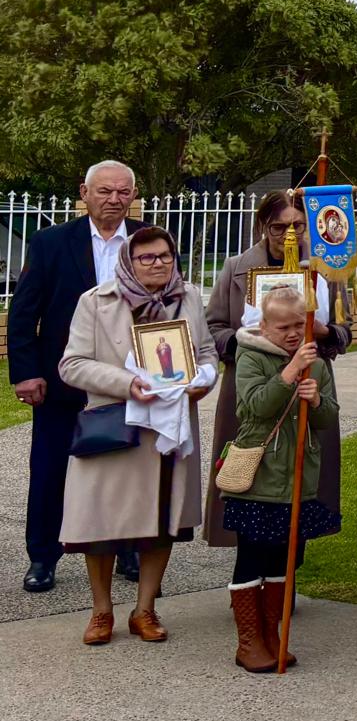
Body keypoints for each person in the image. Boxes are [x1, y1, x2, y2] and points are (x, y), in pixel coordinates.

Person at [59, 226, 217, 644]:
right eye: (146, 257)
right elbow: (72, 364)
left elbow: (205, 352)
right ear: (129, 262)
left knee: (161, 520)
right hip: (116, 424)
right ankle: (101, 611)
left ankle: (144, 610)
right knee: (100, 522)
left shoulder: (187, 297)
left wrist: (204, 378)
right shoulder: (96, 301)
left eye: (165, 256)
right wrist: (127, 382)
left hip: (168, 431)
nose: (158, 264)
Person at [10, 159, 146, 593]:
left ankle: (128, 549)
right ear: (84, 194)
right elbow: (24, 311)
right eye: (104, 191)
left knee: (126, 468)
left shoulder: (148, 240)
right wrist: (26, 373)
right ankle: (42, 557)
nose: (114, 199)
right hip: (63, 378)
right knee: (50, 469)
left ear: (133, 195)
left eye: (123, 192)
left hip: (131, 380)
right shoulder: (51, 242)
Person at [205, 191, 350, 552]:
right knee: (251, 475)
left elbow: (345, 329)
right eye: (279, 227)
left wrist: (322, 332)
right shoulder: (236, 267)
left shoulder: (325, 268)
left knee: (301, 476)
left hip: (308, 380)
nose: (289, 234)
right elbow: (214, 326)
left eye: (298, 226)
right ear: (263, 226)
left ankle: (289, 567)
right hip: (253, 383)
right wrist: (252, 343)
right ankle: (250, 562)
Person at [221, 287, 340, 672]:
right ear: (265, 325)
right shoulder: (251, 355)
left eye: (298, 326)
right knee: (252, 556)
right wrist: (288, 375)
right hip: (260, 477)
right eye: (283, 327)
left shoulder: (315, 363)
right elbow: (254, 407)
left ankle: (273, 634)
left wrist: (317, 400)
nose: (292, 334)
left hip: (297, 479)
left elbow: (328, 418)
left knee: (282, 560)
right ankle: (249, 641)